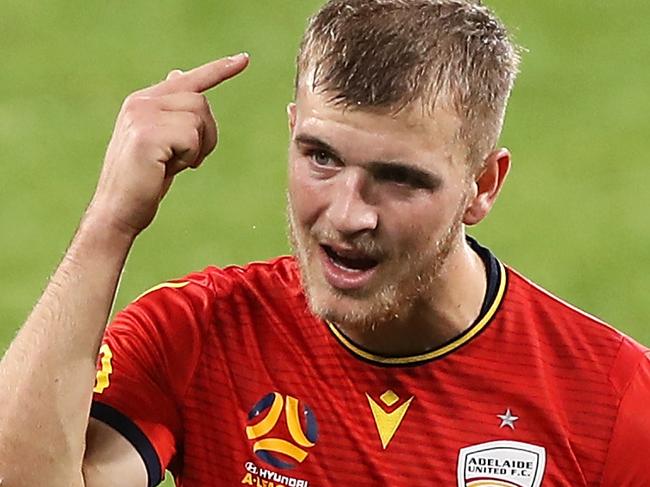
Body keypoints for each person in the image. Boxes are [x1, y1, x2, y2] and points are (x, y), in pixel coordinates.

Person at [1, 0, 649, 486]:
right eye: (321, 157)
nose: (346, 215)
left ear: (482, 185)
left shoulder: (611, 400)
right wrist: (111, 220)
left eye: (397, 178)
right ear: (292, 131)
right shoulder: (197, 333)